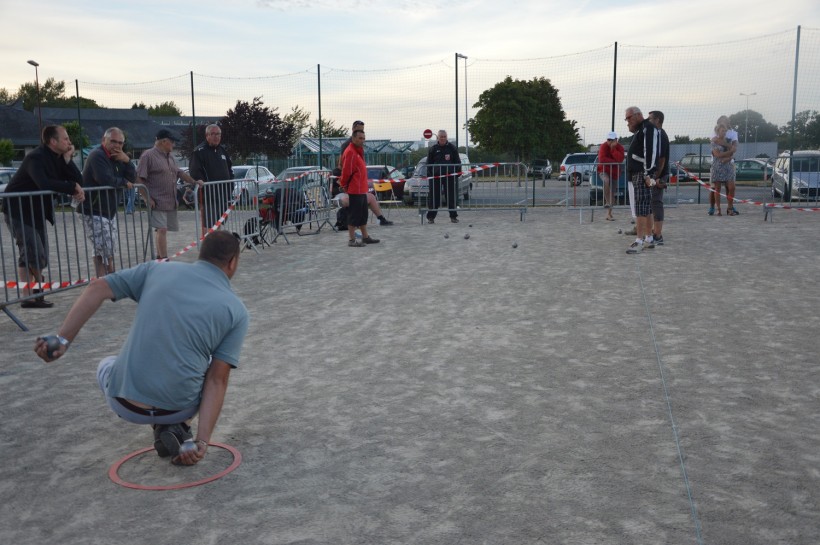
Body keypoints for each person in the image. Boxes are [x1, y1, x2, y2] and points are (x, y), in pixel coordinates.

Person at [34, 231, 249, 466]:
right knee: (210, 365)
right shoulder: (235, 310)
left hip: (124, 404)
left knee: (106, 364)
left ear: (201, 254)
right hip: (179, 408)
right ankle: (178, 425)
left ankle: (165, 426)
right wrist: (202, 442)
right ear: (233, 262)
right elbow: (217, 381)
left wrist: (63, 340)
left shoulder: (157, 270)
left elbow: (98, 287)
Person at [3, 125, 85, 308]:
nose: (69, 142)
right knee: (33, 252)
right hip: (18, 211)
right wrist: (71, 188)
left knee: (39, 256)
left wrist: (67, 160)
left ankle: (32, 294)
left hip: (38, 211)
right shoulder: (36, 157)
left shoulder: (58, 158)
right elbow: (43, 183)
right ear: (53, 141)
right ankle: (31, 294)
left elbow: (80, 180)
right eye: (65, 139)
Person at [136, 129, 203, 259]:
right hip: (156, 200)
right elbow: (139, 178)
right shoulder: (147, 156)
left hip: (170, 200)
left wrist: (194, 181)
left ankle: (160, 257)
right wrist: (146, 198)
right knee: (161, 229)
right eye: (172, 142)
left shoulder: (170, 157)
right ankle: (163, 259)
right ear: (164, 141)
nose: (174, 145)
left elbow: (179, 172)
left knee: (163, 230)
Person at [81, 127, 136, 277]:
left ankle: (105, 278)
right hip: (93, 209)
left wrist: (128, 161)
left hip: (108, 210)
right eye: (113, 141)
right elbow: (104, 179)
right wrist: (124, 181)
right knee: (104, 247)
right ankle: (108, 277)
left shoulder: (118, 157)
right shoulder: (97, 155)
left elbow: (133, 178)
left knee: (106, 246)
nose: (117, 145)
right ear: (103, 140)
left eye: (120, 143)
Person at [335, 120, 393, 226]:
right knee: (364, 203)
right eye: (359, 131)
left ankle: (372, 226)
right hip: (351, 186)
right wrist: (344, 183)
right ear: (353, 131)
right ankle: (354, 234)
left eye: (363, 131)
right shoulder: (349, 147)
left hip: (356, 185)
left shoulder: (358, 147)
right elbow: (345, 166)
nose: (362, 135)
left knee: (367, 201)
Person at [624, 107, 659, 254]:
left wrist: (648, 173)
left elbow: (649, 152)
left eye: (629, 118)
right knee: (646, 208)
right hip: (640, 173)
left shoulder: (647, 129)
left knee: (641, 208)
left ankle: (639, 240)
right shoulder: (641, 130)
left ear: (638, 115)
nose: (628, 121)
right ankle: (649, 238)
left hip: (642, 173)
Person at [189, 124, 234, 237]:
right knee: (209, 224)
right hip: (209, 195)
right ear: (207, 135)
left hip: (223, 194)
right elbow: (195, 172)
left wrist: (231, 186)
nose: (216, 137)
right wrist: (202, 186)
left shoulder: (222, 151)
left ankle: (216, 246)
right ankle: (208, 248)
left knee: (219, 222)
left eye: (218, 134)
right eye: (212, 134)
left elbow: (230, 169)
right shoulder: (199, 151)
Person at [340, 130, 379, 246]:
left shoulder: (358, 151)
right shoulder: (351, 152)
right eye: (360, 138)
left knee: (363, 215)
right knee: (354, 215)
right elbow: (346, 171)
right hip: (354, 189)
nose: (362, 140)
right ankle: (351, 240)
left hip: (361, 189)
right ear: (353, 138)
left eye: (363, 138)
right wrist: (344, 185)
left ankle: (365, 237)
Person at [425, 130, 461, 224]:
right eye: (441, 137)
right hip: (435, 177)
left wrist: (457, 173)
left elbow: (457, 162)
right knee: (434, 197)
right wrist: (430, 175)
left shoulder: (452, 148)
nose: (443, 138)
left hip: (449, 176)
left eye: (445, 136)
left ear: (447, 137)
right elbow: (428, 163)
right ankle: (431, 217)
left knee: (451, 197)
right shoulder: (433, 149)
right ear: (438, 138)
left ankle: (453, 217)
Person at [647, 111, 670, 244]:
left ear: (657, 120)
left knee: (656, 203)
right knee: (653, 203)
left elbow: (661, 159)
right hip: (656, 174)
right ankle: (653, 231)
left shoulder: (660, 135)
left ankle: (658, 235)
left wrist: (656, 177)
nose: (647, 121)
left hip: (658, 174)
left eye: (650, 119)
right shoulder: (657, 134)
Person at [710, 122, 738, 216]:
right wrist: (729, 153)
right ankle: (718, 209)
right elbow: (717, 154)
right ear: (718, 131)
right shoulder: (714, 141)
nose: (724, 132)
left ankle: (730, 208)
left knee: (732, 187)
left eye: (725, 131)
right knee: (717, 188)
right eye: (722, 131)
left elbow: (732, 153)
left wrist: (728, 157)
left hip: (728, 166)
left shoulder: (728, 141)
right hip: (717, 166)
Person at [596, 131, 625, 221]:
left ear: (616, 140)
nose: (610, 142)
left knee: (613, 192)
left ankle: (609, 213)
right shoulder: (603, 146)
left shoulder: (620, 148)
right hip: (603, 170)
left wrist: (613, 150)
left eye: (612, 140)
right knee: (606, 180)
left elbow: (620, 159)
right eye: (608, 139)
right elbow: (602, 159)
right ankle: (607, 202)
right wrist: (614, 162)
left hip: (615, 172)